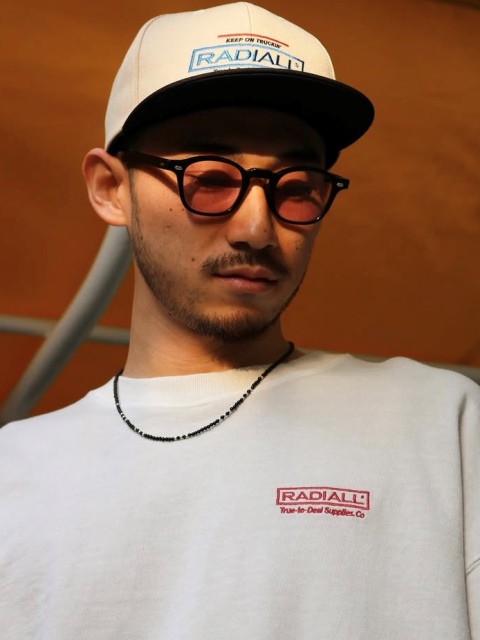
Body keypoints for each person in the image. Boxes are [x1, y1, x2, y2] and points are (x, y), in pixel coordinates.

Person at [1, 3, 479, 639]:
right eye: (209, 177)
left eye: (297, 185)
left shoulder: (442, 424)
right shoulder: (14, 475)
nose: (257, 227)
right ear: (111, 189)